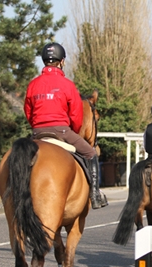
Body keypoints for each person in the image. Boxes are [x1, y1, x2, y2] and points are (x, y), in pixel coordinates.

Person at [24, 42, 108, 209]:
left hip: (37, 133)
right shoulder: (68, 85)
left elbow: (28, 110)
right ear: (61, 62)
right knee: (91, 153)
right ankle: (95, 195)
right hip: (62, 131)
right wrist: (72, 132)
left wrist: (37, 126)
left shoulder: (33, 84)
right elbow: (76, 115)